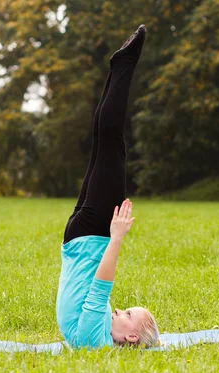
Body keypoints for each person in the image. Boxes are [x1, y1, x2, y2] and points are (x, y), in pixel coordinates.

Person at [56, 24, 160, 349]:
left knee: (113, 141)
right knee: (103, 142)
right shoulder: (94, 336)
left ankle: (125, 64)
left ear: (131, 336)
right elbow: (97, 291)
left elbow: (101, 285)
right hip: (78, 240)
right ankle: (119, 66)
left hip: (93, 235)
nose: (119, 309)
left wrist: (116, 237)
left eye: (128, 313)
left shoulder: (92, 340)